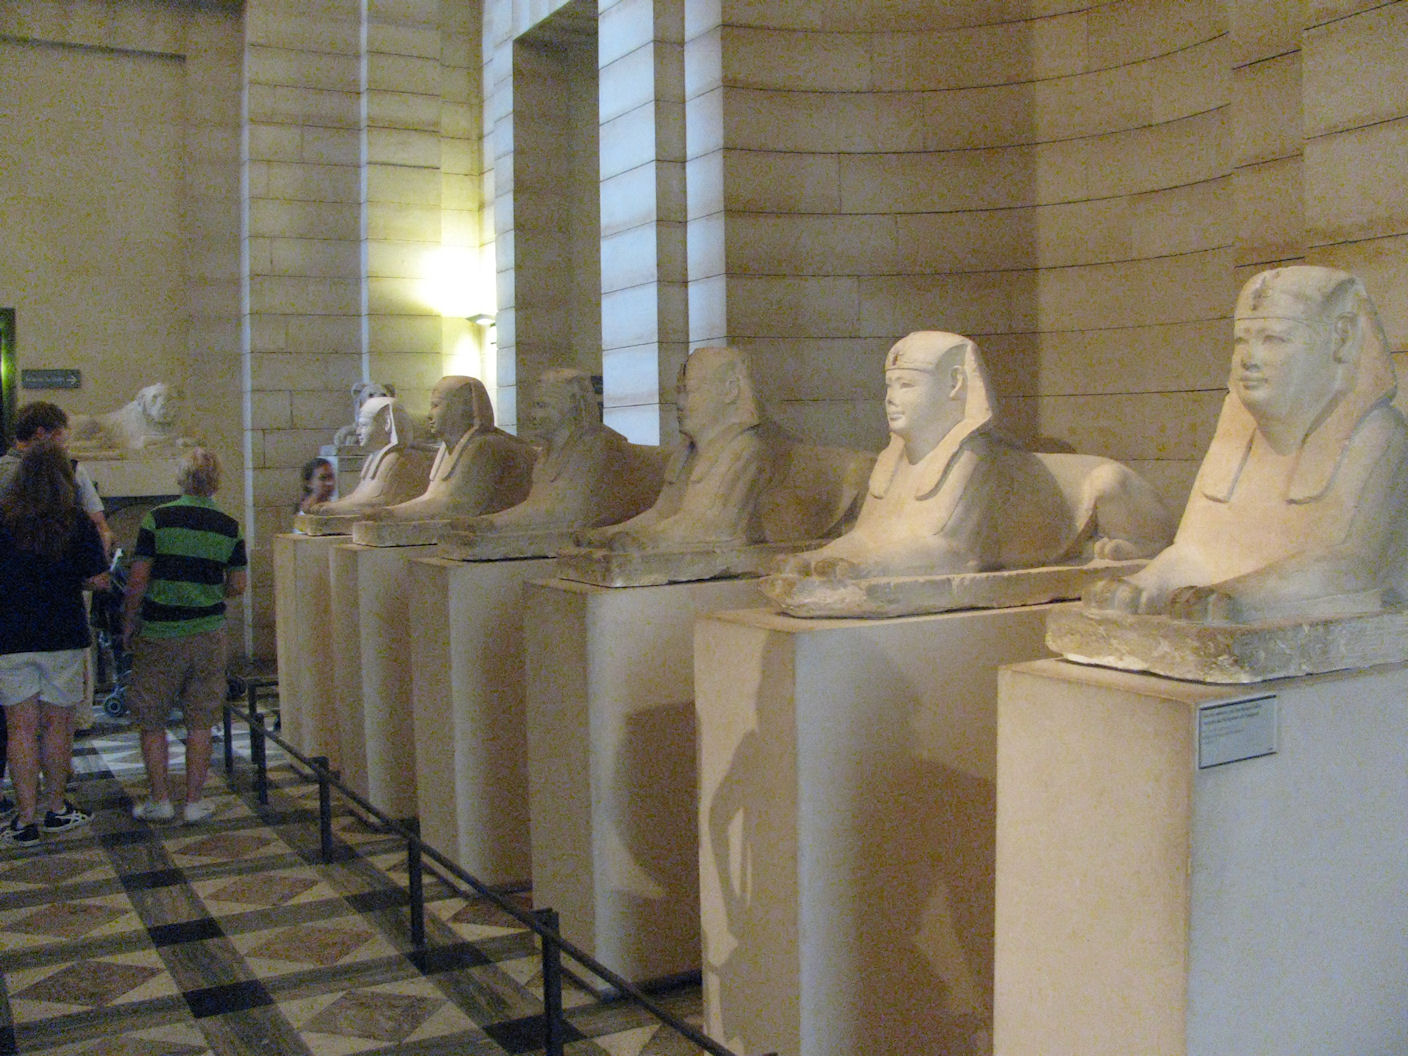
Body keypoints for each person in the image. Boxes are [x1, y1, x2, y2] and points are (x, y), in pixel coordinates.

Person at [1086, 266, 1408, 623]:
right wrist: (1150, 583)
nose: (1249, 360)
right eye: (1242, 340)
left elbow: (1349, 565)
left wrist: (1246, 596)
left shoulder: (1377, 434)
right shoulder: (1237, 436)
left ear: (1341, 340)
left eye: (1274, 339)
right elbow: (1197, 551)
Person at [123, 448, 246, 824]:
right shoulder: (229, 526)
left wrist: (128, 621)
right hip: (208, 633)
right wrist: (207, 594)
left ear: (181, 478)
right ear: (216, 481)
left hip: (160, 631)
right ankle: (193, 801)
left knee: (152, 718)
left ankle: (160, 799)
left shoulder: (157, 519)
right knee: (200, 720)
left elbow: (138, 578)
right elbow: (238, 585)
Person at [0, 444, 108, 845]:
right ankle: (56, 808)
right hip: (62, 633)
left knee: (20, 729)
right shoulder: (75, 521)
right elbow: (98, 578)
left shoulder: (4, 518)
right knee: (57, 726)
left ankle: (25, 818)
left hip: (10, 635)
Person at [1, 400, 114, 553]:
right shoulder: (72, 470)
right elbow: (99, 526)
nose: (65, 445)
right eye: (60, 436)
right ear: (41, 433)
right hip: (65, 557)